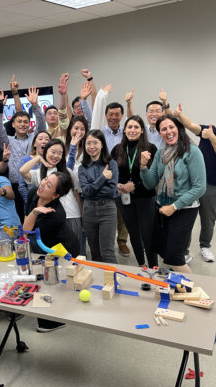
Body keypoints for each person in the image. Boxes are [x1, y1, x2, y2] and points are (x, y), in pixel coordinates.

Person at [140, 115, 206, 273]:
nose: (168, 131)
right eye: (163, 129)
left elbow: (200, 187)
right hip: (162, 207)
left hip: (184, 209)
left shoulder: (193, 152)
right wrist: (143, 166)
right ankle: (176, 285)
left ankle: (194, 289)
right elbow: (150, 183)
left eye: (171, 127)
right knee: (164, 251)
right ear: (160, 133)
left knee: (173, 257)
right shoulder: (161, 153)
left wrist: (174, 206)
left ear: (179, 129)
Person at [24, 171, 78, 333]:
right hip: (44, 246)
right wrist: (34, 211)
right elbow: (26, 223)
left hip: (63, 249)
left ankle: (53, 321)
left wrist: (34, 213)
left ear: (55, 195)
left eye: (48, 185)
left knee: (53, 283)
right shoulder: (34, 193)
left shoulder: (57, 214)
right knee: (43, 278)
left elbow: (26, 230)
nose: (42, 184)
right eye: (45, 179)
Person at [175, 105, 216, 262]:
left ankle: (205, 246)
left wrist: (212, 138)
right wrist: (180, 115)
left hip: (214, 187)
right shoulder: (210, 129)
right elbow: (190, 125)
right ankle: (184, 251)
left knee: (208, 220)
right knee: (186, 218)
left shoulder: (211, 134)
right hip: (193, 183)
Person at [111, 116, 158, 268]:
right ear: (124, 130)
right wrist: (116, 184)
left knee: (147, 235)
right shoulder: (117, 149)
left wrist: (136, 185)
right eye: (129, 127)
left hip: (145, 197)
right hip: (124, 198)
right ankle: (142, 265)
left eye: (136, 127)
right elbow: (111, 172)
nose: (132, 130)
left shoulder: (151, 149)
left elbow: (154, 177)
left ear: (142, 130)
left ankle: (153, 267)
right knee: (133, 234)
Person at [0, 86, 46, 221]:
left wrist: (35, 106)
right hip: (16, 187)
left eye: (25, 122)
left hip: (35, 184)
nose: (23, 124)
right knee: (23, 219)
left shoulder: (34, 138)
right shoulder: (8, 141)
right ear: (13, 124)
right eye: (19, 122)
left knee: (40, 218)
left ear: (29, 124)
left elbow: (41, 126)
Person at [19, 138, 82, 249]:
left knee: (75, 250)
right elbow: (23, 171)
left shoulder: (68, 171)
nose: (56, 156)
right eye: (53, 152)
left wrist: (82, 214)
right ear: (46, 151)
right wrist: (38, 158)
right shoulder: (39, 173)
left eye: (60, 153)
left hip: (72, 216)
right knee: (51, 246)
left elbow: (76, 194)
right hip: (48, 216)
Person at [91, 85, 130, 256]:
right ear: (106, 116)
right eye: (110, 114)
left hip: (124, 176)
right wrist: (100, 94)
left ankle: (122, 241)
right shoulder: (99, 131)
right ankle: (105, 242)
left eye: (117, 114)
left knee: (124, 210)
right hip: (105, 176)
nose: (114, 117)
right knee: (107, 210)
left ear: (122, 116)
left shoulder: (127, 132)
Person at [78, 130, 119, 264]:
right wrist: (102, 178)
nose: (92, 146)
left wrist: (93, 187)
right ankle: (100, 282)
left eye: (95, 142)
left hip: (107, 209)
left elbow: (111, 190)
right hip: (88, 210)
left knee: (107, 252)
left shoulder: (111, 163)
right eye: (88, 143)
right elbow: (86, 191)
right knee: (95, 253)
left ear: (102, 145)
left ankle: (115, 281)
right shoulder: (82, 167)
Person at [18, 131, 51, 207]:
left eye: (47, 139)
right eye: (40, 139)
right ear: (34, 144)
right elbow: (22, 186)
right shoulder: (25, 160)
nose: (44, 141)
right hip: (31, 203)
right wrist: (30, 202)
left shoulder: (51, 161)